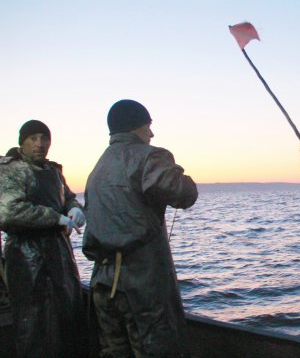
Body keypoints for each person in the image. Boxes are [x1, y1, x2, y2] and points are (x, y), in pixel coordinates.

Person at [82, 99, 198, 358]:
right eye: (149, 126)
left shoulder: (97, 169)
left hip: (102, 283)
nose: (152, 134)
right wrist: (183, 176)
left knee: (113, 351)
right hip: (140, 288)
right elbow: (184, 194)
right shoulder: (149, 156)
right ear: (136, 126)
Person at [0, 119, 86, 358]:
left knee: (68, 315)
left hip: (60, 254)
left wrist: (75, 209)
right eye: (33, 138)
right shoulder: (10, 169)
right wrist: (54, 218)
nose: (40, 144)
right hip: (25, 257)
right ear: (22, 142)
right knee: (32, 324)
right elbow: (8, 212)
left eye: (44, 138)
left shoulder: (54, 171)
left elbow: (68, 197)